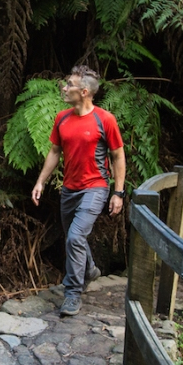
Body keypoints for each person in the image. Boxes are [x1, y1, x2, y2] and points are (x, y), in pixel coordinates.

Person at [31, 66, 126, 316]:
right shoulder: (62, 118)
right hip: (69, 190)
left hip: (95, 187)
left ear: (84, 92)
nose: (64, 88)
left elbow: (117, 156)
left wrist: (118, 192)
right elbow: (54, 152)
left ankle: (73, 293)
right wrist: (41, 181)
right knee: (74, 238)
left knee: (74, 237)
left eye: (69, 85)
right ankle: (89, 269)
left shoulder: (105, 120)